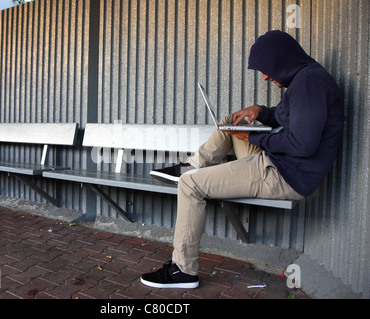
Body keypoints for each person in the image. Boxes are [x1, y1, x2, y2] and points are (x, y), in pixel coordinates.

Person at [141, 30, 344, 289]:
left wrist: (254, 138)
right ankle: (192, 165)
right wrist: (259, 111)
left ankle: (183, 270)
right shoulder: (304, 79)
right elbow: (289, 119)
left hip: (283, 174)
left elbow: (302, 144)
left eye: (267, 69)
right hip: (278, 161)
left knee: (190, 186)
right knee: (229, 123)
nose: (265, 76)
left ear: (282, 59)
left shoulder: (310, 84)